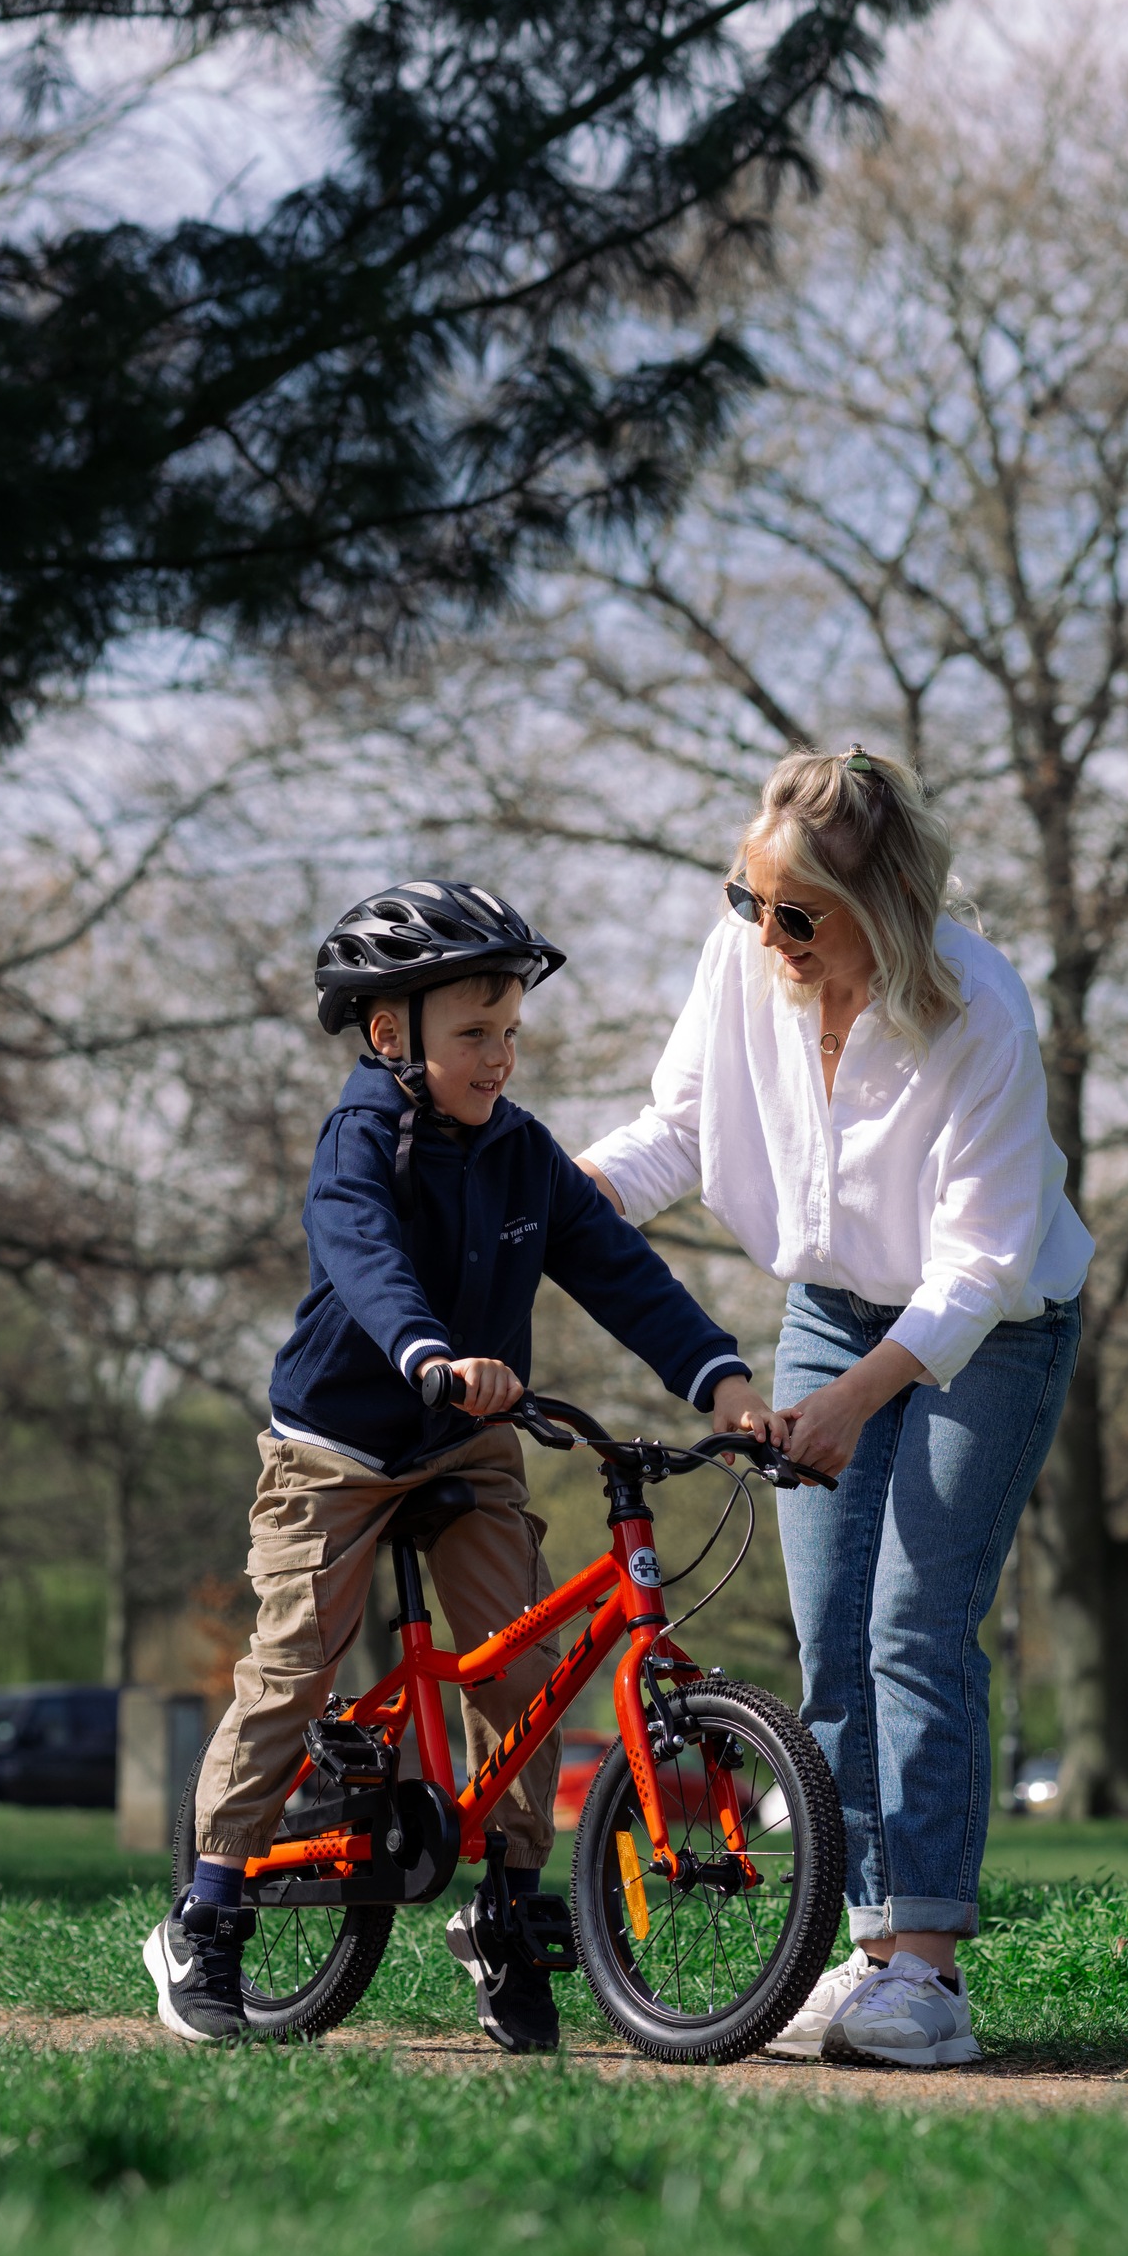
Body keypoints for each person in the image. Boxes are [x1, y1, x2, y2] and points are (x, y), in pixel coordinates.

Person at [146, 879, 775, 2052]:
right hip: (336, 1444)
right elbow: (365, 1253)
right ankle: (210, 1908)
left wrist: (724, 1383)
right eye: (473, 1033)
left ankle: (508, 1906)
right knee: (294, 1661)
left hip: (466, 1437)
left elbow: (624, 1274)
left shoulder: (524, 1154)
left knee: (522, 1671)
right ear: (393, 1035)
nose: (499, 1056)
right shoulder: (359, 1138)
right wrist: (429, 1348)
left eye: (511, 1033)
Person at [577, 751, 1089, 2068]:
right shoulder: (740, 961)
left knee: (913, 1626)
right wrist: (547, 1198)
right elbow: (676, 1132)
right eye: (748, 900)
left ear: (885, 907)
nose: (765, 934)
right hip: (828, 1308)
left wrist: (862, 1400)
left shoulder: (977, 1004)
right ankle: (856, 1953)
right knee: (832, 1649)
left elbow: (978, 1266)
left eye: (796, 913)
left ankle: (928, 1975)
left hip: (991, 1327)